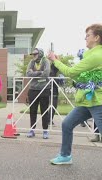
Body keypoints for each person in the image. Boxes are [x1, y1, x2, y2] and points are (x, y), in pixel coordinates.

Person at [48, 23, 102, 165]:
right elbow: (80, 77)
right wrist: (59, 62)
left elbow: (71, 72)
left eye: (88, 35)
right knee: (67, 124)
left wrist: (55, 61)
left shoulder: (97, 55)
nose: (85, 38)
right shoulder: (91, 56)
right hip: (88, 101)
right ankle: (65, 156)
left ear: (96, 37)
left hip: (99, 102)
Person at [26, 48, 51, 139]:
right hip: (33, 89)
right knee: (33, 110)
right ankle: (32, 130)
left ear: (40, 54)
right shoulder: (31, 62)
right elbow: (28, 74)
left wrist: (35, 73)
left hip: (44, 88)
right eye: (33, 54)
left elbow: (46, 73)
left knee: (44, 111)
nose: (33, 56)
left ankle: (45, 131)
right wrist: (40, 72)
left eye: (35, 54)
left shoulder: (46, 61)